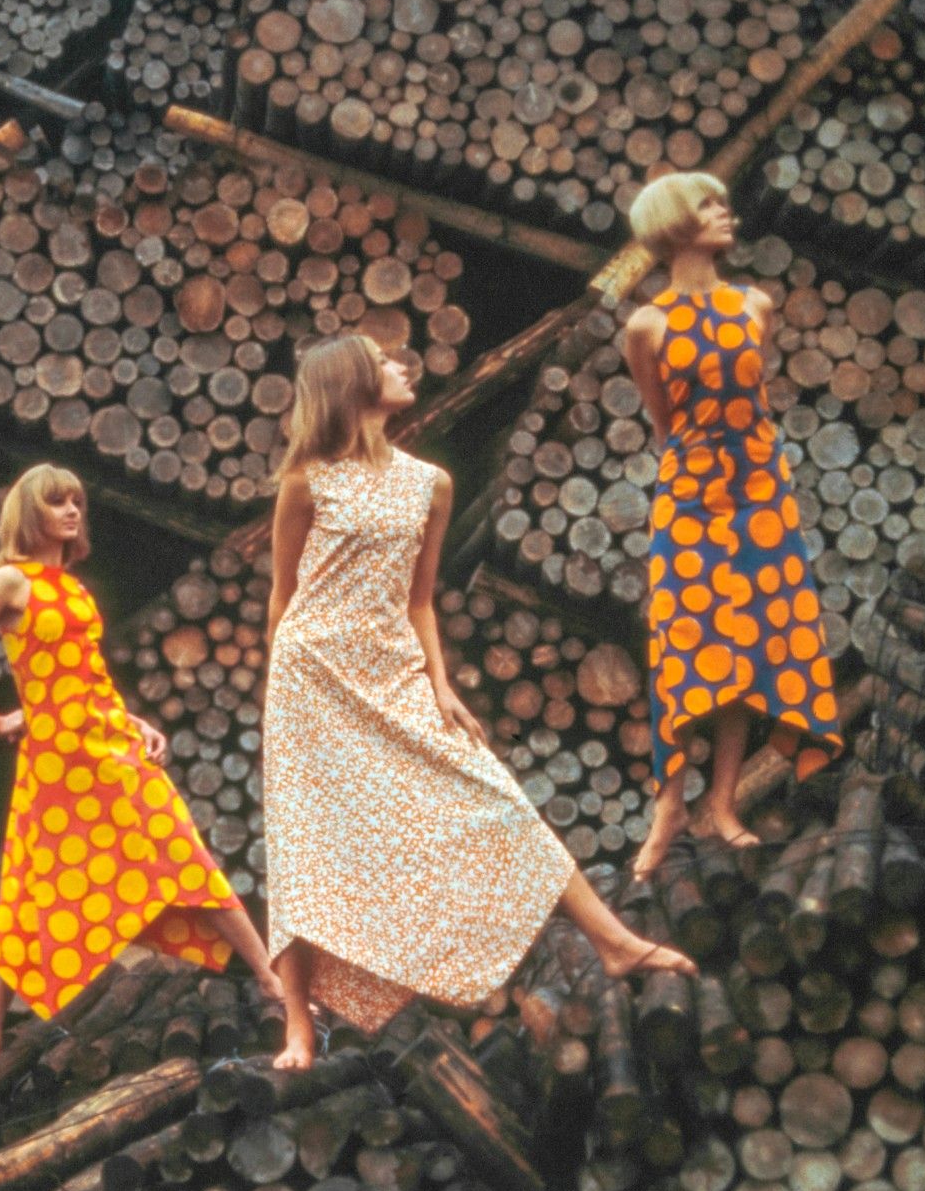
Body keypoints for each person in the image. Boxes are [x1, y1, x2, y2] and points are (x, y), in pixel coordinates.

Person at [262, 334, 695, 1071]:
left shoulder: (430, 483)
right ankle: (298, 1027)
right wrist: (283, 697)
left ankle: (614, 943)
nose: (403, 366)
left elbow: (422, 600)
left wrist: (440, 683)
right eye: (385, 359)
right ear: (349, 382)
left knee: (493, 797)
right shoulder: (307, 480)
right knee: (309, 852)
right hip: (312, 679)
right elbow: (282, 597)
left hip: (394, 672)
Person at [0, 463, 282, 1072]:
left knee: (181, 851)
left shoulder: (76, 589)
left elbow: (88, 678)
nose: (71, 512)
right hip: (54, 759)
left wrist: (135, 722)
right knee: (28, 887)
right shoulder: (10, 581)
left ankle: (271, 979)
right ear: (28, 513)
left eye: (76, 502)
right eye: (56, 502)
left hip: (107, 745)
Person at [622, 172, 842, 882]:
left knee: (748, 635)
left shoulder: (753, 304)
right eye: (710, 205)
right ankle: (670, 807)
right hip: (690, 493)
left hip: (759, 490)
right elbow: (664, 423)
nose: (727, 213)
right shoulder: (646, 325)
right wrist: (700, 473)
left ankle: (721, 804)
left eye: (722, 201)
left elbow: (751, 396)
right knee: (685, 638)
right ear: (674, 222)